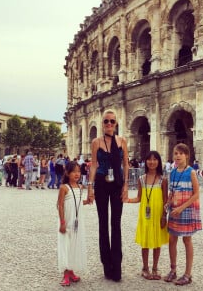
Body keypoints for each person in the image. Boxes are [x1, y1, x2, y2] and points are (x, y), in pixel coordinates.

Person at [87, 109, 129, 282]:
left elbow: (126, 164)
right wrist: (90, 186)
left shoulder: (122, 141)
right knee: (103, 223)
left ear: (116, 123)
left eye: (112, 121)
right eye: (106, 121)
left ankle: (117, 265)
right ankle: (106, 264)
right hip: (102, 184)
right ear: (102, 123)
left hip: (117, 184)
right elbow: (94, 165)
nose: (109, 124)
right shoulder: (96, 142)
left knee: (116, 224)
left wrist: (126, 185)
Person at [126, 151, 168, 280]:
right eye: (149, 159)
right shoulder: (141, 179)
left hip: (157, 214)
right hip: (145, 214)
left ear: (159, 162)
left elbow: (165, 200)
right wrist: (127, 199)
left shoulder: (163, 179)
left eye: (155, 159)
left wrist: (163, 216)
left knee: (156, 242)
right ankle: (145, 268)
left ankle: (155, 268)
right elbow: (139, 197)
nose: (152, 162)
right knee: (145, 242)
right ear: (146, 162)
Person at [164, 143, 202, 286]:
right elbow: (171, 191)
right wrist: (168, 202)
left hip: (187, 209)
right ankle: (173, 270)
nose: (178, 156)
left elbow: (196, 193)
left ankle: (187, 274)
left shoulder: (191, 172)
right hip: (174, 209)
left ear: (187, 155)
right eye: (175, 153)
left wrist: (181, 207)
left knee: (187, 241)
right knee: (172, 239)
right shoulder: (172, 172)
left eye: (181, 153)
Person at [57, 161, 87, 286]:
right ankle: (65, 274)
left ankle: (71, 271)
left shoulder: (80, 187)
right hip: (66, 221)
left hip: (77, 221)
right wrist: (62, 222)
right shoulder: (64, 187)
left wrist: (87, 201)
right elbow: (60, 205)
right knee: (66, 245)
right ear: (68, 173)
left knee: (74, 245)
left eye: (79, 171)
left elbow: (78, 203)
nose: (77, 174)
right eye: (74, 171)